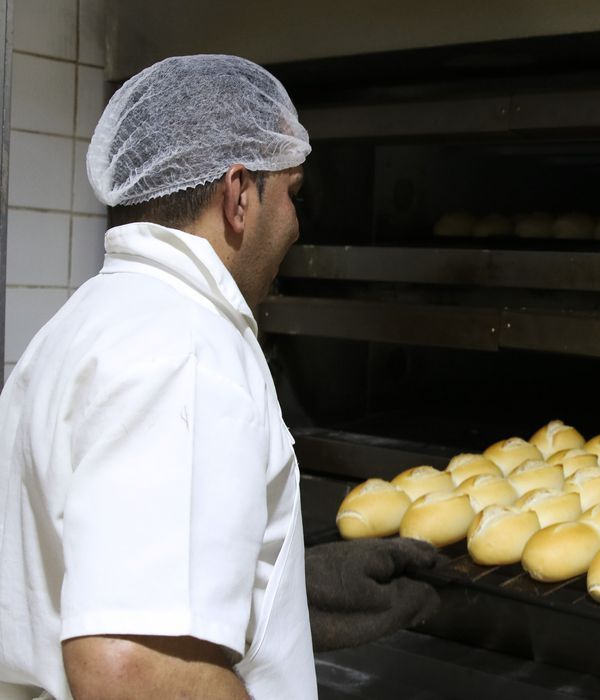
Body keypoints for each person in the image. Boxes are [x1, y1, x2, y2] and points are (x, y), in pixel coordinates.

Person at [0, 55, 439, 700]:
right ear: (239, 195)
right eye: (292, 193)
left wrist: (275, 598)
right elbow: (130, 667)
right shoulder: (189, 352)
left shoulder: (87, 320)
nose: (295, 223)